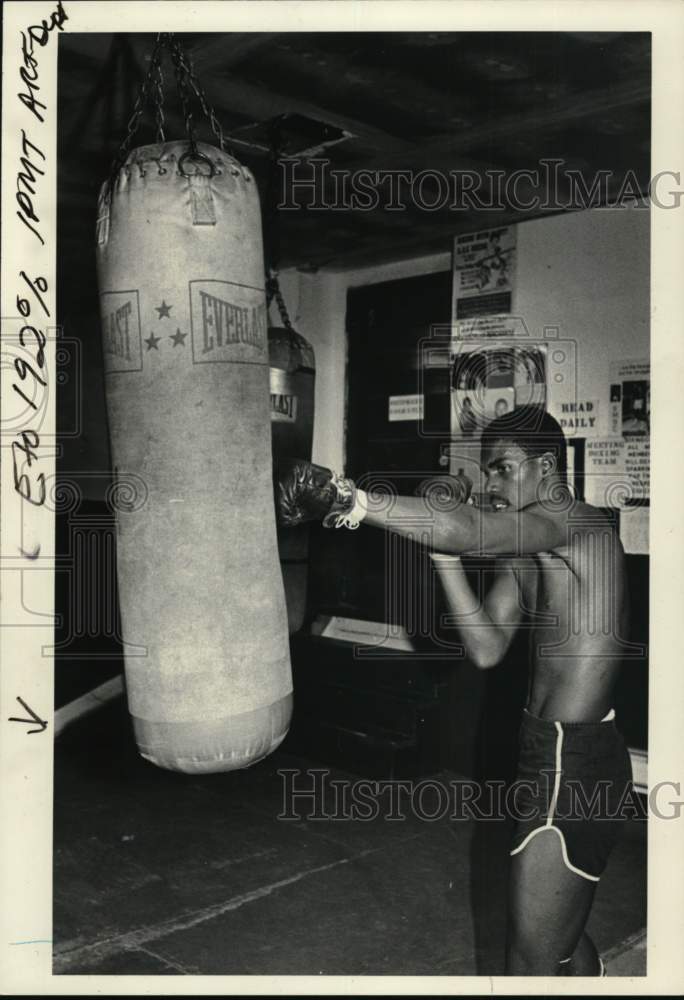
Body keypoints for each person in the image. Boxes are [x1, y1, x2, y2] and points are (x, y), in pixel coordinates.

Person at [276, 406, 633, 976]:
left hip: (575, 762)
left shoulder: (575, 521)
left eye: (502, 468)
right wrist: (444, 558)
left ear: (546, 467)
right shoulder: (530, 551)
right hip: (543, 751)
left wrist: (348, 499)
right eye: (486, 471)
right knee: (554, 941)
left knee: (529, 961)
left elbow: (472, 530)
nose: (490, 483)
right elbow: (486, 646)